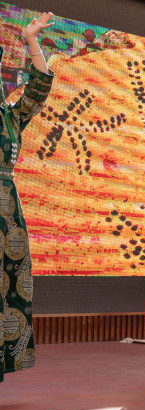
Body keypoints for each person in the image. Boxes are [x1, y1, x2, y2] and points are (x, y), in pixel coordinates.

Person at [0, 12, 54, 384]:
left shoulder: (9, 116)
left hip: (7, 216)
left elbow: (39, 88)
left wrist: (31, 40)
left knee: (5, 292)